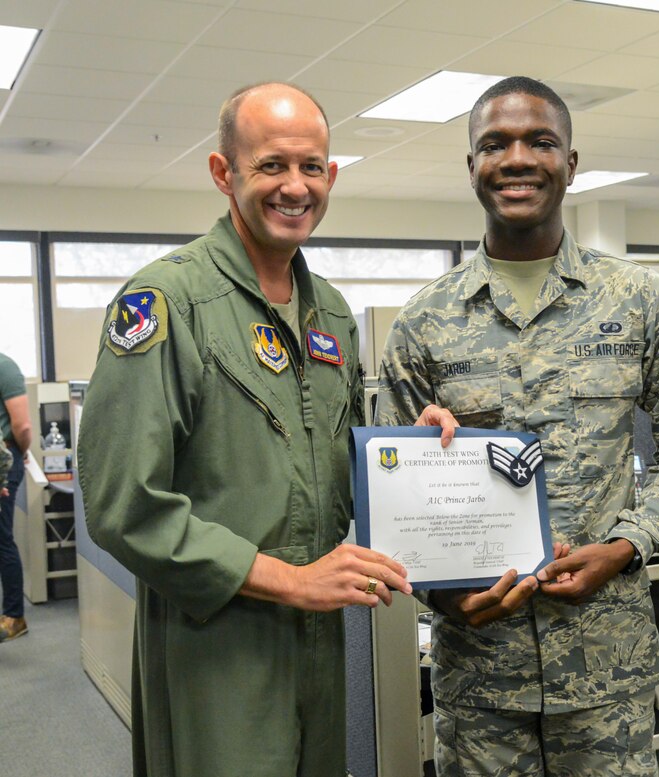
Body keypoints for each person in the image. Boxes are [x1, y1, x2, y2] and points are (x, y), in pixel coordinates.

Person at [77, 82, 453, 777]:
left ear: (331, 175)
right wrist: (289, 580)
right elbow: (121, 505)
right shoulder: (167, 300)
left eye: (312, 167)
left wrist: (411, 448)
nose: (295, 186)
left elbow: (334, 472)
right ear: (225, 173)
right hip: (216, 634)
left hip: (318, 633)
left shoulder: (331, 313)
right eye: (271, 165)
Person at [376, 76, 659, 776]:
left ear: (571, 161)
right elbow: (392, 497)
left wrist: (628, 544)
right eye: (493, 144)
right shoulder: (423, 321)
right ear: (470, 166)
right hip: (479, 678)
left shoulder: (639, 301)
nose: (517, 159)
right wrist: (440, 590)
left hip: (607, 669)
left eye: (541, 141)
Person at [0, 351, 30, 642]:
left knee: (1, 539)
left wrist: (23, 451)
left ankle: (14, 616)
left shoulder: (5, 367)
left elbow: (22, 426)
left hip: (4, 459)